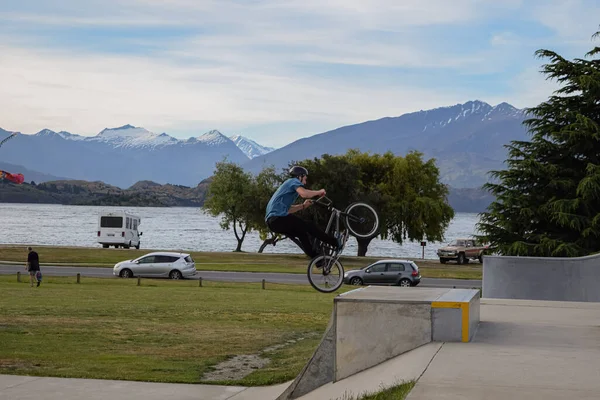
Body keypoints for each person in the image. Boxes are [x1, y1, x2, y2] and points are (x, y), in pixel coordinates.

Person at [265, 166, 341, 259]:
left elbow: (288, 209)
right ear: (299, 176)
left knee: (302, 233)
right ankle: (335, 242)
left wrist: (303, 206)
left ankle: (316, 259)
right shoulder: (293, 181)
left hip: (273, 223)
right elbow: (304, 194)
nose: (305, 181)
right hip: (277, 219)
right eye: (305, 178)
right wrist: (319, 192)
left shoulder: (288, 186)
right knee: (309, 226)